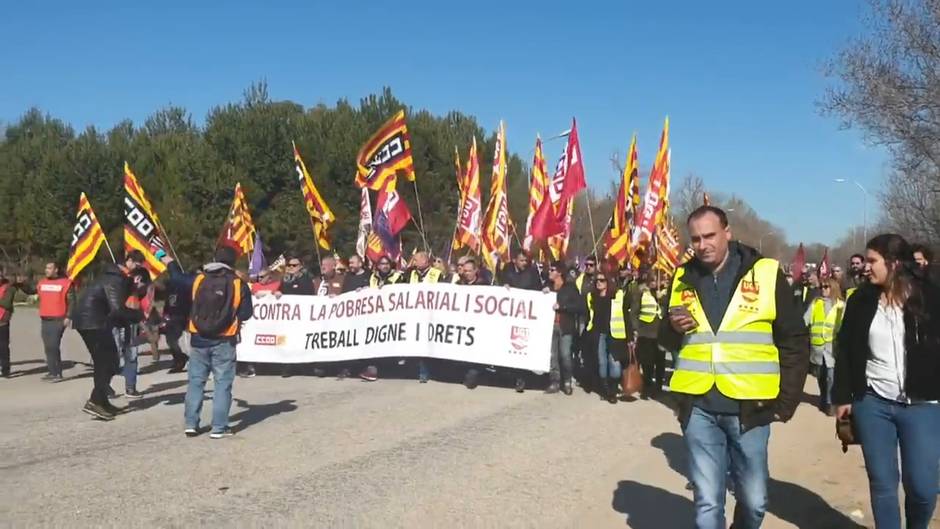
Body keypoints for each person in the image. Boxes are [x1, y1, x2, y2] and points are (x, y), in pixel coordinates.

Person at [659, 206, 808, 529]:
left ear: (727, 233)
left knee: (754, 503)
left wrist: (787, 400)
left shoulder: (766, 273)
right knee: (708, 502)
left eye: (709, 235)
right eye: (696, 238)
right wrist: (671, 326)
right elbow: (665, 339)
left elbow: (794, 339)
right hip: (697, 407)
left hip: (750, 408)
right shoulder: (682, 276)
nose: (702, 245)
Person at [834, 234, 940, 529]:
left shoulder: (930, 297)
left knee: (923, 487)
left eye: (872, 261)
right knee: (882, 483)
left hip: (923, 404)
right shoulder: (860, 301)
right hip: (873, 402)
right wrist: (843, 396)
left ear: (893, 263)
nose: (865, 267)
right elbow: (845, 350)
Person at [169, 246, 253, 439]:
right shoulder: (238, 284)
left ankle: (191, 423)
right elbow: (246, 313)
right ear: (232, 263)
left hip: (198, 338)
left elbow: (176, 278)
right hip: (225, 339)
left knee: (195, 383)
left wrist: (169, 262)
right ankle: (219, 427)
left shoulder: (199, 280)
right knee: (222, 384)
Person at [71, 252, 146, 420]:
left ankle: (102, 401)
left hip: (95, 321)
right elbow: (117, 308)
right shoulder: (115, 278)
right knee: (108, 362)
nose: (138, 268)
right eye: (137, 263)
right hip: (92, 322)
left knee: (107, 362)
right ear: (127, 261)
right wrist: (138, 316)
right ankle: (95, 401)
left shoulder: (114, 276)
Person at [19, 262, 73, 381]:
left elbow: (72, 301)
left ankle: (57, 372)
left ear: (56, 270)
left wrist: (68, 316)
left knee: (53, 345)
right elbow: (31, 290)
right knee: (48, 347)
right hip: (45, 319)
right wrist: (22, 284)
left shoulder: (66, 283)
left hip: (58, 319)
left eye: (49, 268)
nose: (46, 270)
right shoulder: (42, 282)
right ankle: (52, 371)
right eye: (46, 268)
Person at [499, 249, 543, 392]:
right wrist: (504, 286)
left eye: (526, 260)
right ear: (515, 260)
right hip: (509, 314)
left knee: (520, 345)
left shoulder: (532, 273)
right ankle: (508, 374)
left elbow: (538, 290)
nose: (524, 263)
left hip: (525, 316)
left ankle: (521, 378)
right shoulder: (507, 270)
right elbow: (501, 283)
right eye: (522, 260)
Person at [804, 277, 844, 416]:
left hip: (833, 348)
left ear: (833, 288)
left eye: (826, 287)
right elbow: (805, 320)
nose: (823, 289)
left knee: (831, 377)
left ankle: (829, 403)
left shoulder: (840, 305)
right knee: (821, 377)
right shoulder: (815, 303)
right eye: (821, 287)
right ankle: (823, 398)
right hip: (818, 349)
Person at [360, 255, 404, 381]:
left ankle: (390, 368)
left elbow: (403, 292)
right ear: (378, 266)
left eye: (387, 264)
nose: (384, 266)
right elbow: (367, 289)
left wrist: (386, 289)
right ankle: (372, 369)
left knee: (389, 342)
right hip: (375, 315)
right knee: (374, 341)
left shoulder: (398, 277)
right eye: (382, 264)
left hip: (392, 315)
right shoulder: (372, 276)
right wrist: (363, 291)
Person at [545, 260, 585, 396]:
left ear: (559, 272)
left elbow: (580, 307)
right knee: (552, 355)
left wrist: (563, 307)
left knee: (565, 355)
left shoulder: (570, 288)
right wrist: (543, 292)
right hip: (550, 325)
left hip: (565, 326)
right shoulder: (547, 287)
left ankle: (567, 381)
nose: (549, 272)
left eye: (552, 270)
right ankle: (554, 381)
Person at [585, 271, 626, 404]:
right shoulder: (592, 296)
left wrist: (631, 336)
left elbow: (625, 315)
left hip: (614, 333)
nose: (599, 282)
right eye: (597, 280)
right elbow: (588, 315)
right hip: (598, 334)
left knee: (614, 364)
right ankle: (607, 391)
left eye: (602, 280)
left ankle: (613, 390)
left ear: (608, 282)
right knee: (602, 363)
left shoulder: (617, 295)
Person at [115, 268, 154, 398]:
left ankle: (105, 388)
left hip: (115, 324)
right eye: (144, 284)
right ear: (138, 280)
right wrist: (142, 321)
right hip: (127, 325)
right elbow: (133, 312)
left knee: (115, 356)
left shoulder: (118, 284)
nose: (144, 288)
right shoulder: (131, 292)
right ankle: (130, 388)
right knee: (130, 357)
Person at [275, 256, 316, 377]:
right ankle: (288, 367)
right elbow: (281, 291)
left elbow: (308, 293)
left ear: (300, 266)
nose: (291, 267)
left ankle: (306, 367)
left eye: (294, 265)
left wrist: (296, 281)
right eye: (289, 265)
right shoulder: (285, 279)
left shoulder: (306, 278)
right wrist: (278, 292)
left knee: (302, 341)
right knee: (288, 341)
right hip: (288, 317)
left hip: (302, 316)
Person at [407, 251, 443, 383]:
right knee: (419, 343)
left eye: (416, 260)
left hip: (432, 314)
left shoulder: (437, 274)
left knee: (429, 343)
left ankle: (429, 370)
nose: (414, 262)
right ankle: (421, 371)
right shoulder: (411, 274)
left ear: (425, 261)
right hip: (416, 314)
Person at [457, 258, 492, 389]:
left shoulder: (484, 286)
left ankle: (474, 373)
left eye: (469, 271)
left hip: (477, 324)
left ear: (475, 271)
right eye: (464, 271)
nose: (466, 273)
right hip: (462, 324)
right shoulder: (458, 284)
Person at [631, 272, 665, 399]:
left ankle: (659, 387)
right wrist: (636, 328)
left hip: (660, 333)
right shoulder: (641, 293)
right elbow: (634, 312)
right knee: (647, 362)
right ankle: (647, 386)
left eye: (657, 281)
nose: (654, 283)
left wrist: (661, 298)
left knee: (660, 362)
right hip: (645, 332)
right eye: (652, 280)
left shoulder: (664, 293)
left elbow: (668, 309)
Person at [162, 256, 192, 374]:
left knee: (176, 339)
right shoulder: (171, 284)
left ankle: (182, 359)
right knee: (172, 339)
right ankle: (179, 359)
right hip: (175, 313)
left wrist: (159, 253)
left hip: (182, 313)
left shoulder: (181, 280)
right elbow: (168, 299)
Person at [0, 268, 29, 378]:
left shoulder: (9, 287)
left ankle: (5, 369)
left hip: (2, 320)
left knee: (3, 346)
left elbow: (7, 303)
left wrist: (23, 282)